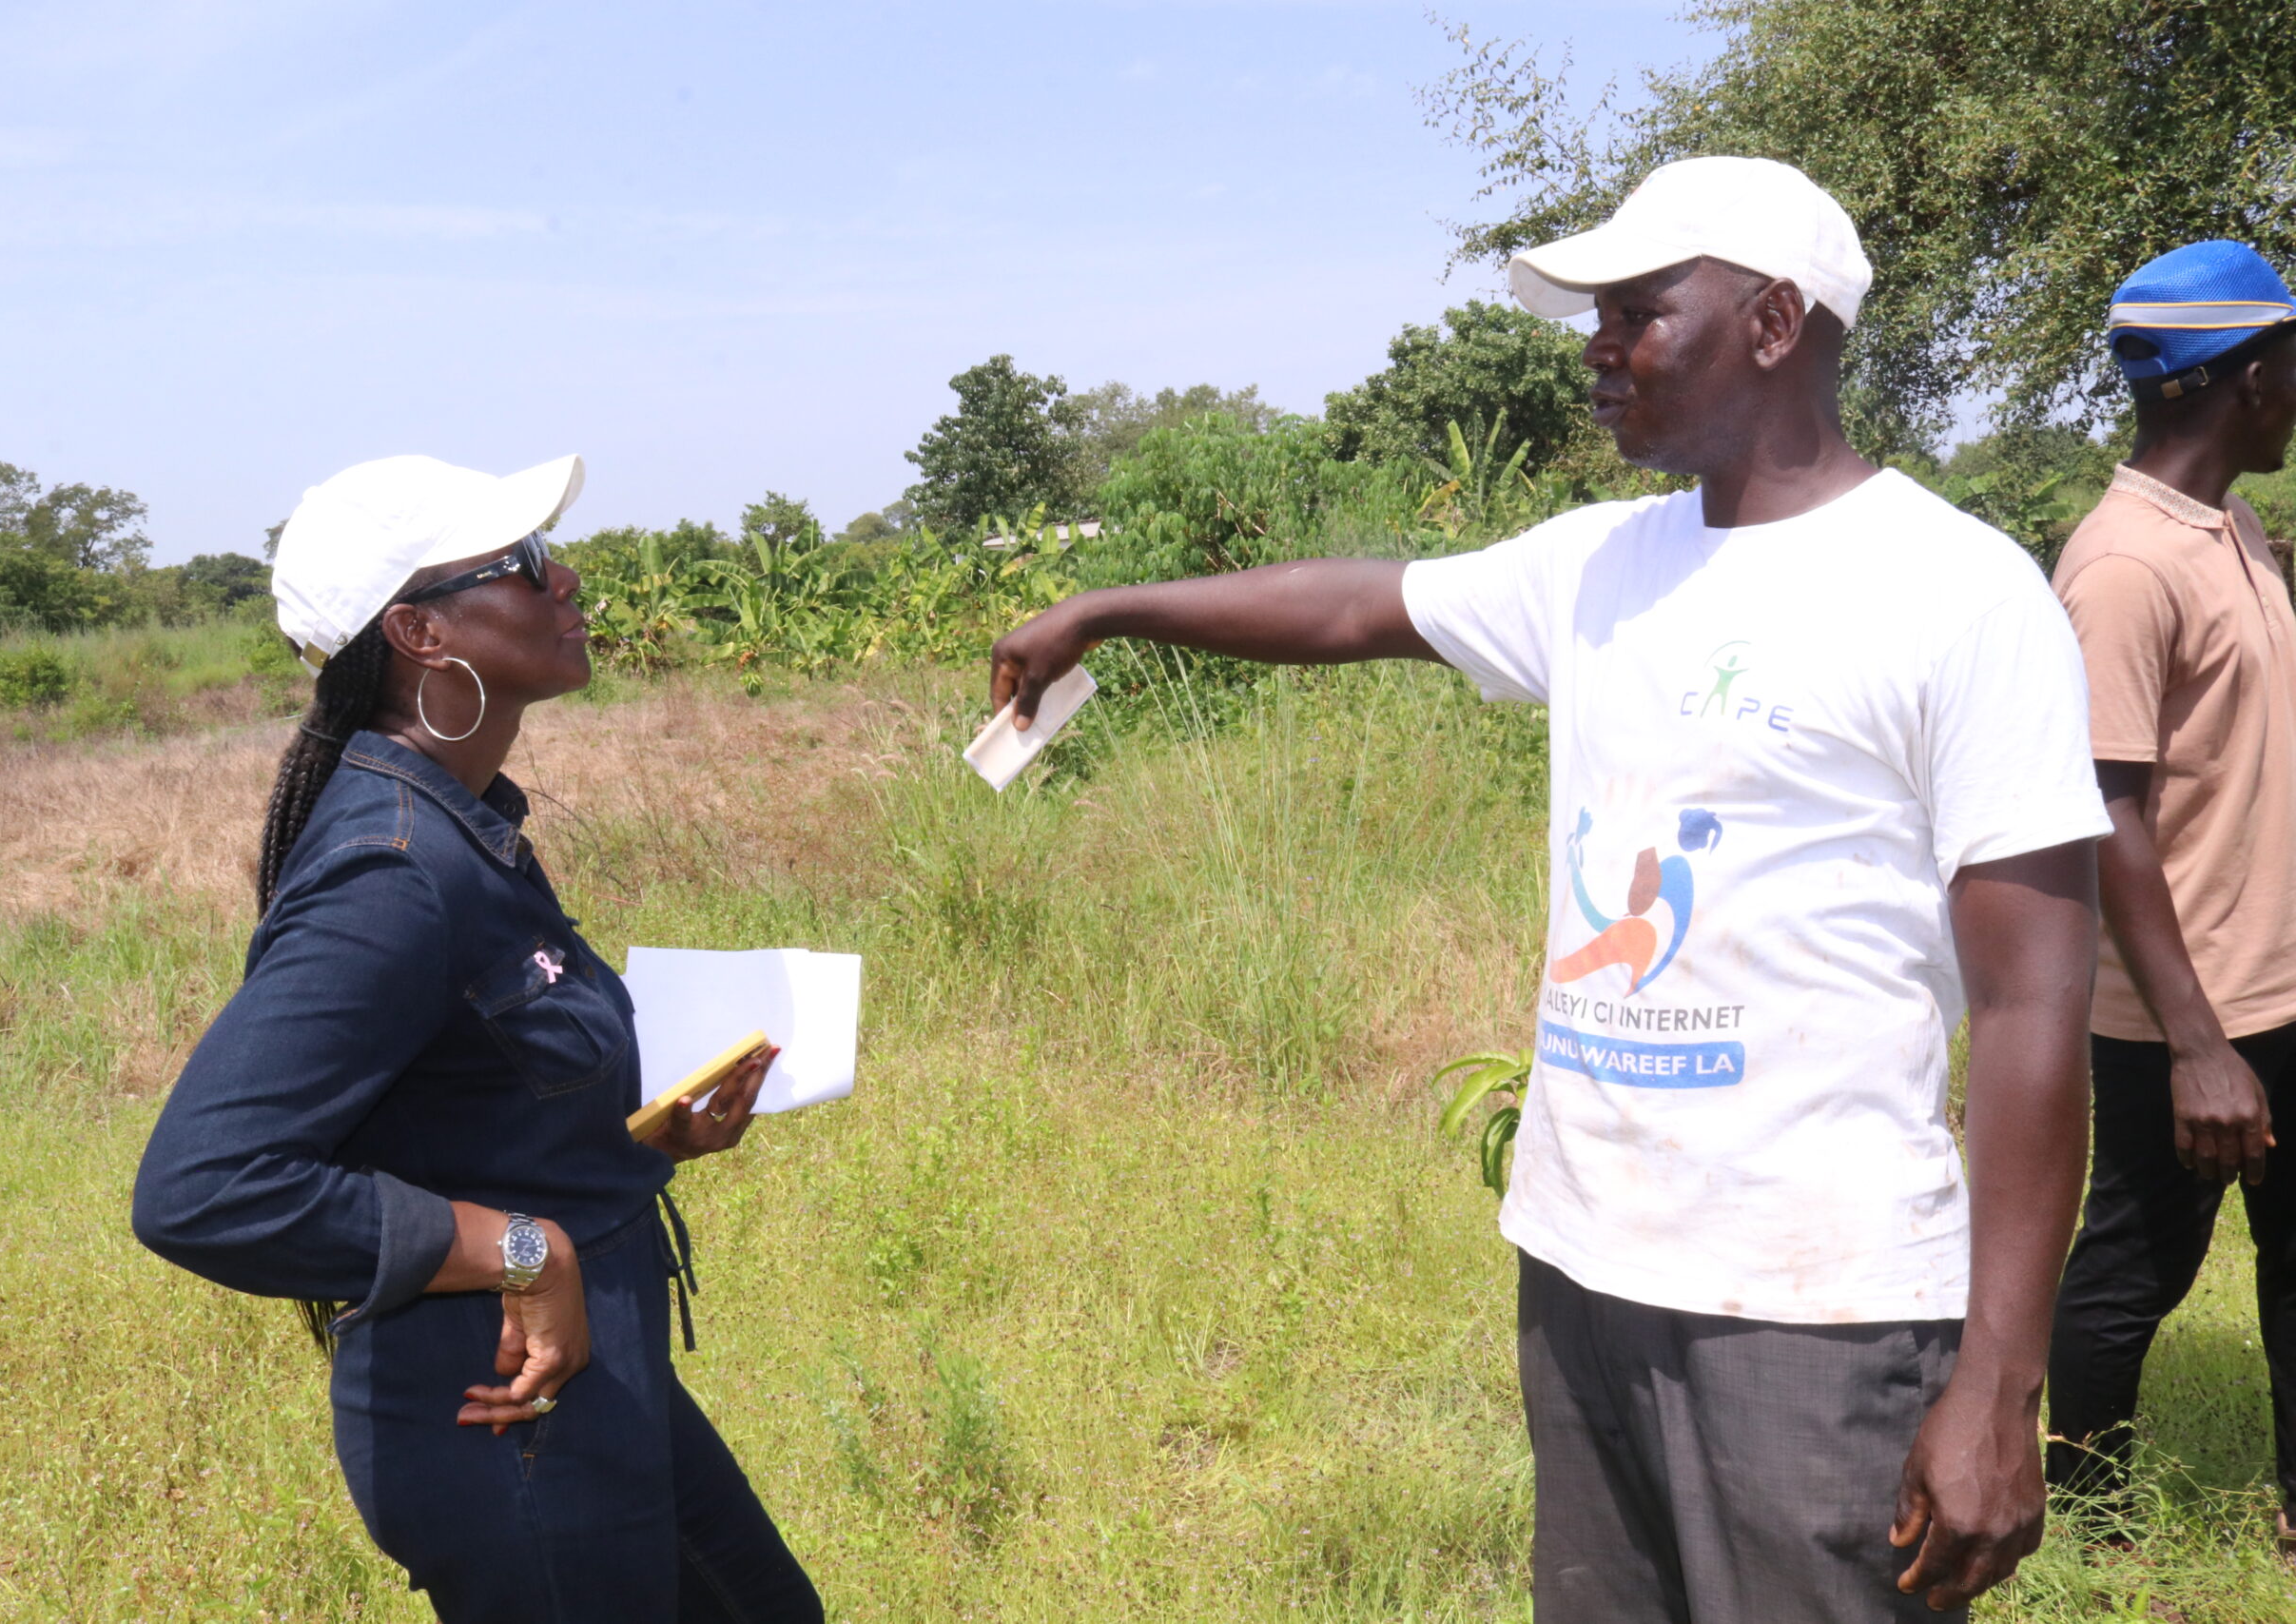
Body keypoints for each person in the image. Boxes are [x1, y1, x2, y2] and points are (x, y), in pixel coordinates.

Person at [987, 157, 2111, 1621]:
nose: (1596, 350)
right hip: (1586, 1261)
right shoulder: (1600, 566)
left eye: (1638, 312)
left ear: (1775, 321)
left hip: (1816, 1306)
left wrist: (1997, 1381)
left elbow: (2035, 1001)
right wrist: (1108, 609)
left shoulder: (1958, 593)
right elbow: (1358, 602)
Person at [131, 454, 824, 1624]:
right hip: (503, 1424)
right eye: (525, 564)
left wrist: (649, 1129)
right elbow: (201, 1188)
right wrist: (524, 1250)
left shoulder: (470, 822)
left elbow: (469, 1095)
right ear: (417, 631)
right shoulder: (392, 869)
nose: (568, 581)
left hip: (596, 1375)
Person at [2045, 242, 2296, 1552]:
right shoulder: (2124, 565)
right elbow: (2103, 811)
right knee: (2132, 1269)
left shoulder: (2228, 527)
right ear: (2247, 377)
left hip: (2281, 981)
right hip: (2184, 1011)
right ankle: (2087, 1527)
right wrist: (2201, 1043)